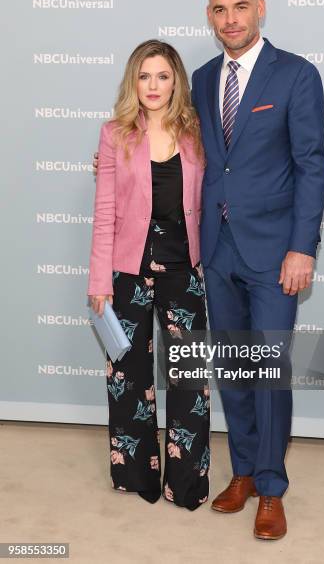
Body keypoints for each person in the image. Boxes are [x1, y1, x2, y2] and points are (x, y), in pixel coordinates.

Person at [190, 0, 324, 539]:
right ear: (210, 16)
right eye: (220, 10)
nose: (231, 20)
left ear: (260, 8)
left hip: (275, 254)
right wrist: (115, 161)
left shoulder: (296, 74)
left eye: (240, 7)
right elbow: (179, 150)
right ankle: (243, 469)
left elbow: (312, 165)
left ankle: (271, 488)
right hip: (217, 251)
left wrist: (302, 247)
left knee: (268, 371)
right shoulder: (200, 79)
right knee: (232, 367)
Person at [87, 40, 210, 511]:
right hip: (127, 273)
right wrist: (99, 280)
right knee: (129, 376)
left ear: (176, 80)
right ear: (132, 82)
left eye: (162, 76)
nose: (153, 86)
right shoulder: (115, 134)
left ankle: (188, 483)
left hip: (185, 272)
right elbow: (104, 212)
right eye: (144, 76)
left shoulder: (198, 132)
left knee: (189, 382)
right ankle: (136, 474)